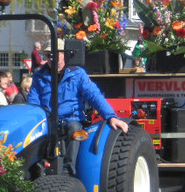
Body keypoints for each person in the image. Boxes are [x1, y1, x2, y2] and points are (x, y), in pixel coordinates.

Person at [28, 42, 128, 174]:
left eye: (56, 54)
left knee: (73, 129)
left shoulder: (78, 74)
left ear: (64, 54)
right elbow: (33, 103)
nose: (52, 59)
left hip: (71, 119)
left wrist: (111, 116)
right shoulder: (39, 76)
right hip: (48, 122)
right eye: (48, 55)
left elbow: (94, 95)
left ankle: (68, 172)